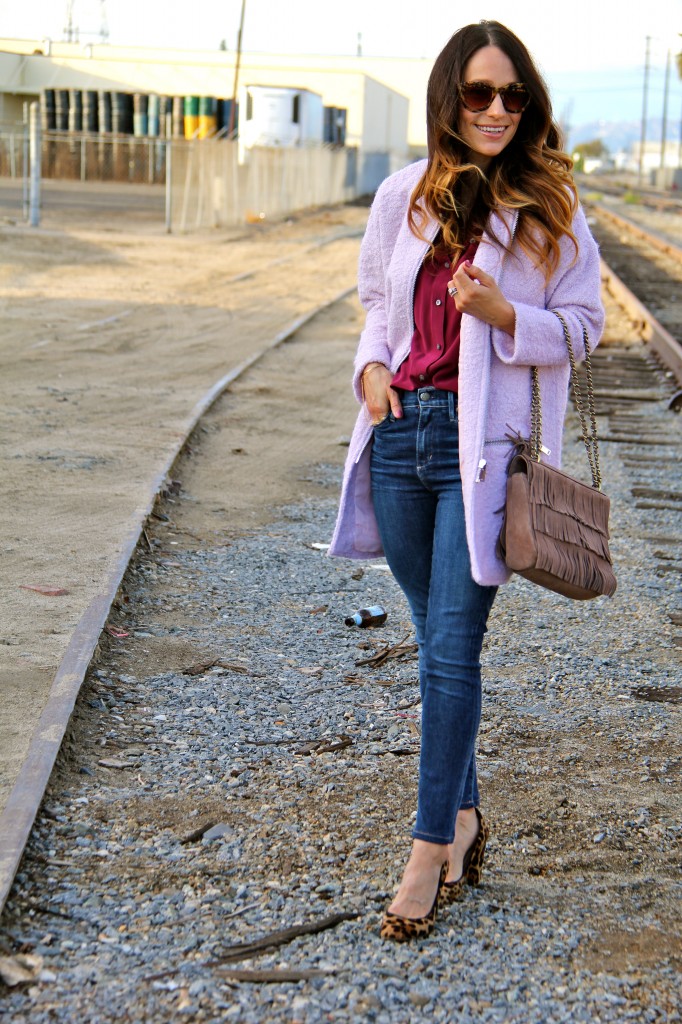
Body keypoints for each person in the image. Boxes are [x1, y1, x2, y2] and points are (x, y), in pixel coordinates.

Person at [329, 19, 605, 942]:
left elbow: (585, 326)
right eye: (480, 93)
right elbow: (377, 302)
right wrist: (371, 373)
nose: (496, 110)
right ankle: (470, 812)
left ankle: (425, 852)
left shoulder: (550, 207)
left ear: (529, 108)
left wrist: (504, 312)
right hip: (403, 434)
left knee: (451, 649)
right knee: (433, 634)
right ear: (450, 97)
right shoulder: (404, 195)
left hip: (483, 453)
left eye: (513, 96)